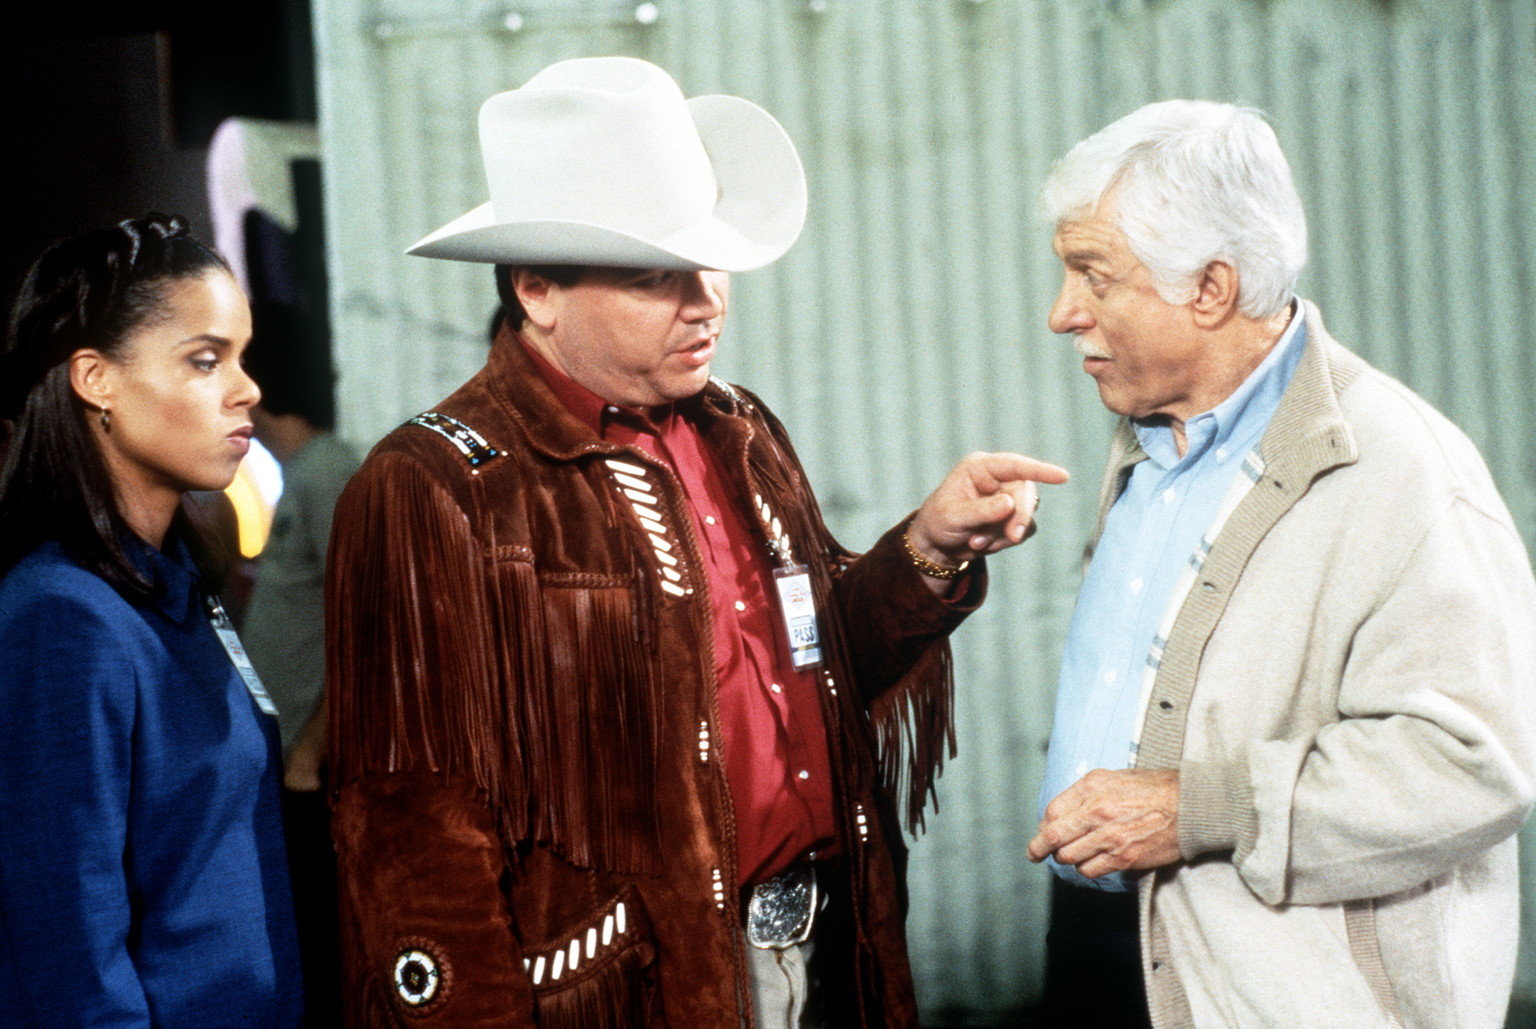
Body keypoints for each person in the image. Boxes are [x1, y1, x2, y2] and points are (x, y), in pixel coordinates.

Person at [326, 56, 1068, 1026]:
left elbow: (817, 672)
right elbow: (414, 835)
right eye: (655, 277)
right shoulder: (433, 486)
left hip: (831, 950)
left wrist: (928, 547)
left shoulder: (738, 430)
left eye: (708, 261)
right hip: (637, 994)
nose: (708, 299)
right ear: (537, 288)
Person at [1025, 100, 1536, 1027]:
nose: (1063, 313)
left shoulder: (1406, 472)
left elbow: (1472, 766)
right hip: (1099, 948)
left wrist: (1197, 808)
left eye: (1093, 275)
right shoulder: (1154, 438)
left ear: (1211, 290)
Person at [0, 214, 304, 1025]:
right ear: (95, 378)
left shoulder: (181, 583)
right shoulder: (62, 616)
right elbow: (68, 952)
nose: (247, 389)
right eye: (206, 360)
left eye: (241, 356)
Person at [243, 299, 361, 1025]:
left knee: (321, 949)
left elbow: (367, 619)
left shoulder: (329, 471)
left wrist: (313, 747)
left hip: (308, 769)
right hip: (286, 763)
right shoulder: (301, 474)